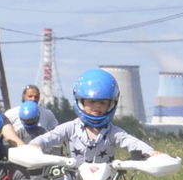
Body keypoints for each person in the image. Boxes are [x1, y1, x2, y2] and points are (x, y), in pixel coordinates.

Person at [29, 68, 159, 166]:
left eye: (102, 103)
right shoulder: (71, 127)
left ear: (111, 104)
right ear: (81, 102)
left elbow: (132, 142)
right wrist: (35, 145)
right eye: (91, 102)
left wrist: (151, 153)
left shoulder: (113, 132)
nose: (97, 107)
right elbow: (51, 136)